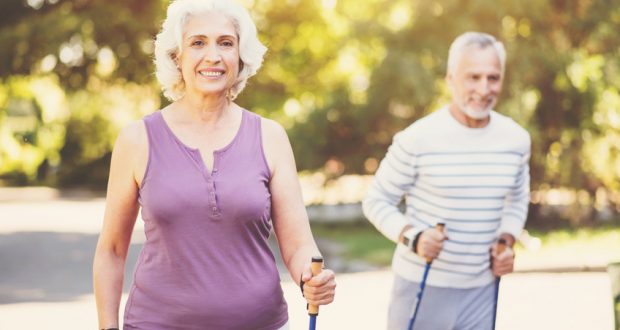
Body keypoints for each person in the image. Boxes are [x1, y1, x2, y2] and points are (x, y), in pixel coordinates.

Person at [93, 1, 336, 329]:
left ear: (240, 55)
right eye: (197, 43)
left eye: (226, 43)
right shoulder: (137, 139)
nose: (213, 56)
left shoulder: (270, 137)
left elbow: (298, 245)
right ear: (176, 57)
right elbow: (111, 250)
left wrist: (312, 278)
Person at [362, 31, 530, 330]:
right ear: (451, 79)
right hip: (421, 286)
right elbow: (376, 200)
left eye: (493, 78)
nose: (484, 88)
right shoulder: (417, 138)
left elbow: (516, 201)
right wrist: (414, 237)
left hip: (482, 290)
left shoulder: (516, 139)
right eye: (473, 77)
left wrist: (506, 241)